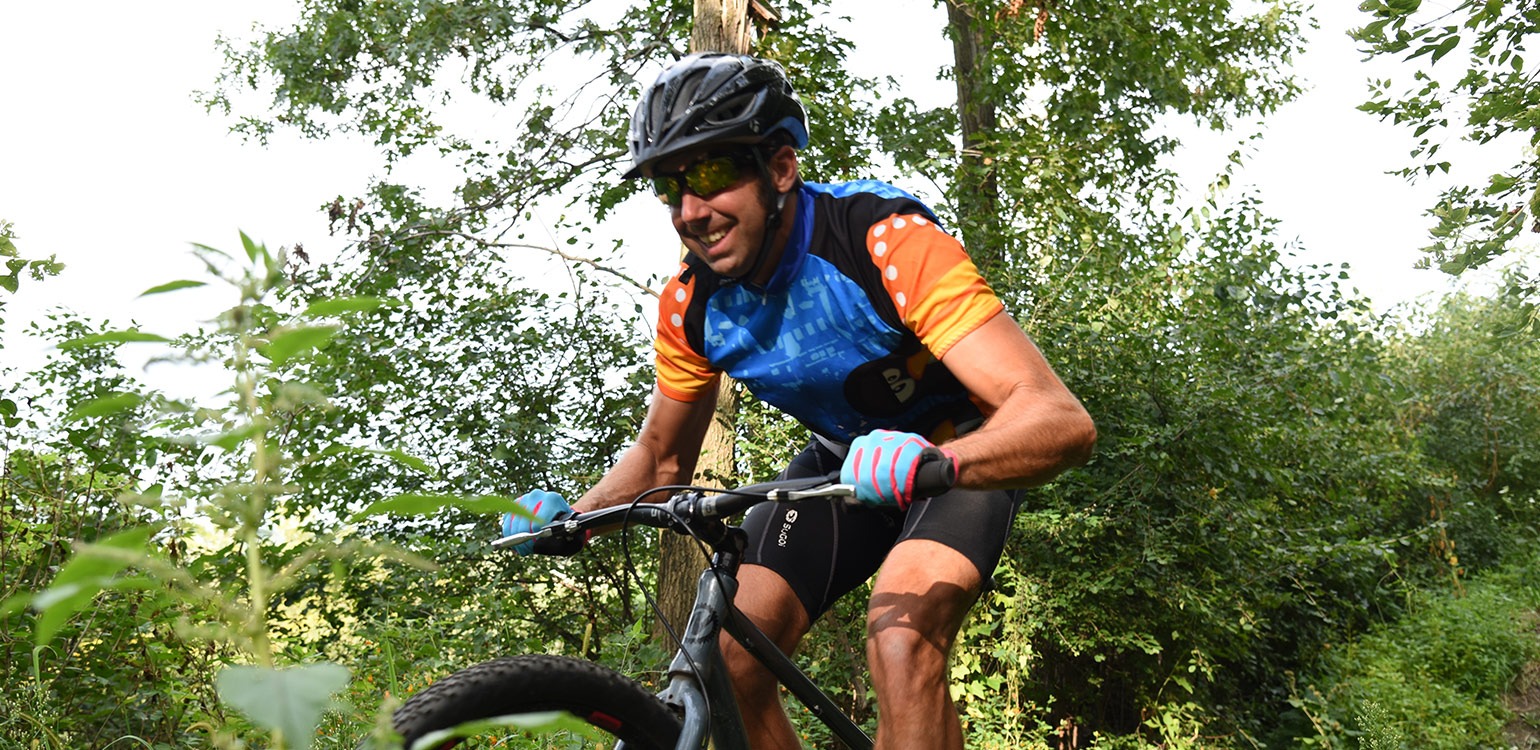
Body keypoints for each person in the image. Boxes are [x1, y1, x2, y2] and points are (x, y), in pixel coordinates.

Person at [504, 53, 1096, 750]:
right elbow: (663, 455)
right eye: (671, 186)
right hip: (843, 462)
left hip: (957, 447)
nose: (692, 210)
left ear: (781, 169)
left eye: (715, 173)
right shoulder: (691, 309)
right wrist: (578, 519)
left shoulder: (883, 242)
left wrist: (937, 456)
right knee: (728, 659)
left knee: (901, 642)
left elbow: (1058, 418)